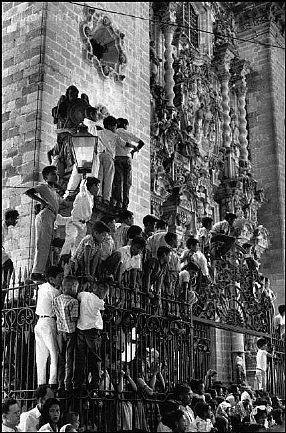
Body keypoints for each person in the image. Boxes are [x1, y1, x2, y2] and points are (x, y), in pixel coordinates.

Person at [25, 166, 70, 282]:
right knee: (43, 243)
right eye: (53, 174)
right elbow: (29, 192)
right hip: (45, 215)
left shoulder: (54, 192)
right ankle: (36, 273)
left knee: (49, 243)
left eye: (56, 174)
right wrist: (42, 202)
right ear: (46, 177)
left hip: (52, 217)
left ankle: (42, 271)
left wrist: (62, 190)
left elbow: (65, 204)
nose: (56, 176)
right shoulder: (43, 187)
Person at [73, 281, 109, 391]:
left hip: (80, 330)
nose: (105, 296)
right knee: (95, 357)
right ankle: (95, 381)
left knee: (80, 357)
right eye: (105, 293)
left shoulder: (84, 295)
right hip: (92, 332)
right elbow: (106, 308)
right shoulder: (99, 301)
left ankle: (78, 382)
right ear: (101, 291)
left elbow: (78, 295)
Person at [56, 177, 100, 263]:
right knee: (71, 238)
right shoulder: (83, 194)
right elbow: (83, 187)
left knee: (78, 246)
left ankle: (73, 262)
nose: (98, 189)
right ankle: (62, 259)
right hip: (74, 222)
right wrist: (84, 178)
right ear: (93, 186)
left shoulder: (91, 198)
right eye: (97, 186)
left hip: (83, 225)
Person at [34, 265, 64, 388]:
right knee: (54, 352)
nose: (62, 279)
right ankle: (53, 383)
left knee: (41, 355)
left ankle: (41, 383)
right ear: (52, 279)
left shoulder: (42, 287)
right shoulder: (55, 292)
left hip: (40, 322)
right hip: (49, 322)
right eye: (60, 277)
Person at [52, 275, 79, 393]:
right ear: (73, 287)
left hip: (60, 332)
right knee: (70, 358)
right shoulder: (74, 302)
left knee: (61, 358)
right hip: (70, 333)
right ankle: (68, 384)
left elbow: (55, 314)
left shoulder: (56, 300)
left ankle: (59, 383)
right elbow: (74, 319)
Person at [112, 117, 145, 209]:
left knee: (118, 181)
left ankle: (118, 202)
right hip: (127, 158)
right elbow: (142, 142)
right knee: (127, 182)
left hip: (117, 158)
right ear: (125, 125)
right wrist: (134, 151)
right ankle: (125, 204)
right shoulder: (128, 134)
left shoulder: (115, 133)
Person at [97, 115, 131, 205]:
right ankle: (106, 198)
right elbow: (124, 143)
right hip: (108, 156)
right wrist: (134, 146)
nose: (116, 129)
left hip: (99, 155)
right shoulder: (114, 135)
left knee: (99, 176)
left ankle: (98, 195)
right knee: (108, 178)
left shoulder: (99, 132)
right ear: (110, 126)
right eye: (115, 127)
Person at [2, 209, 19, 291]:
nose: (15, 221)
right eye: (15, 219)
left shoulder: (5, 228)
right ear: (10, 219)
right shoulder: (2, 227)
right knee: (8, 265)